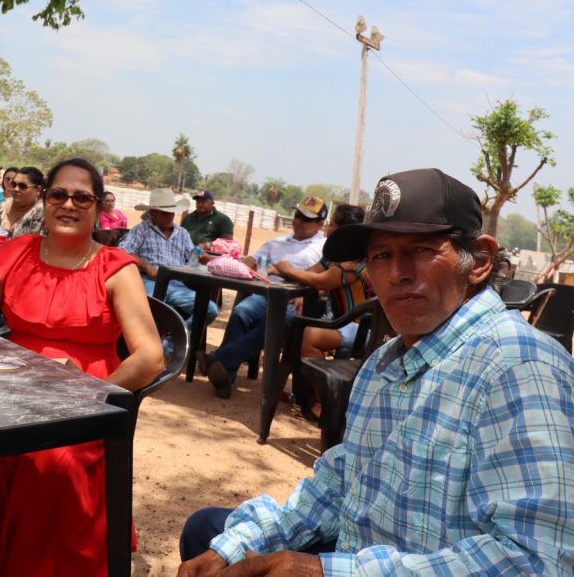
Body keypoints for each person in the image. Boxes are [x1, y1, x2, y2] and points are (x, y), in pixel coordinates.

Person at [178, 168, 574, 576]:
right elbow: (340, 483)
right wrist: (242, 544)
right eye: (381, 255)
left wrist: (327, 571)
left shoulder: (520, 368)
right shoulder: (385, 364)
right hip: (367, 552)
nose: (396, 273)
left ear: (479, 261)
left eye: (421, 250)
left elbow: (538, 561)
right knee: (207, 534)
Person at [0, 157, 165, 576]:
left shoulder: (114, 267)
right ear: (44, 201)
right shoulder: (15, 254)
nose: (69, 204)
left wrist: (87, 390)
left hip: (83, 406)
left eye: (82, 197)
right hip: (8, 392)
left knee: (46, 464)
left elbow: (150, 356)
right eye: (59, 194)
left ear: (99, 207)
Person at [203, 196, 328, 399]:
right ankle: (226, 376)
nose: (298, 221)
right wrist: (244, 262)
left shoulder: (324, 248)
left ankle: (219, 360)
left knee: (274, 324)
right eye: (297, 215)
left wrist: (309, 295)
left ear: (320, 224)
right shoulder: (276, 242)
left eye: (305, 219)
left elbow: (326, 281)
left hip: (295, 301)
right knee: (242, 312)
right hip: (266, 293)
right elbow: (252, 260)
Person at [272, 204, 372, 363]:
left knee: (308, 336)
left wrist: (287, 269)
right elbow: (310, 273)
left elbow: (319, 281)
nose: (327, 227)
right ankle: (289, 384)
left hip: (361, 327)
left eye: (332, 224)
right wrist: (281, 271)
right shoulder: (333, 256)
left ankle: (322, 387)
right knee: (295, 330)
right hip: (339, 321)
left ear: (344, 231)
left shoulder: (353, 266)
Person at [119, 187, 218, 329]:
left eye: (171, 213)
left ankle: (173, 345)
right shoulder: (142, 230)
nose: (170, 216)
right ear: (152, 213)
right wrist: (147, 266)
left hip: (177, 284)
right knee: (147, 309)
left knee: (210, 309)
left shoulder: (182, 233)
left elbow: (192, 256)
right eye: (164, 213)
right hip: (150, 282)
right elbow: (122, 251)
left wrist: (203, 257)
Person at [0, 165, 45, 237]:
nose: (16, 189)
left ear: (38, 190)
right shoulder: (1, 206)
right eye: (14, 184)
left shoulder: (42, 214)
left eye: (22, 186)